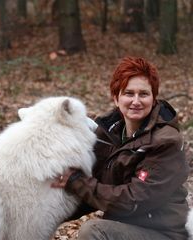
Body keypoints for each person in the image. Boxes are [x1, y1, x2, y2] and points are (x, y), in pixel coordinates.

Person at [52, 56, 189, 240]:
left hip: (163, 233)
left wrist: (77, 182)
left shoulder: (165, 142)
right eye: (129, 93)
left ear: (154, 98)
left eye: (144, 94)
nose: (136, 101)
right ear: (116, 98)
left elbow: (133, 201)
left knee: (93, 232)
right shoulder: (108, 133)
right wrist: (48, 216)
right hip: (125, 226)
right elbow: (94, 186)